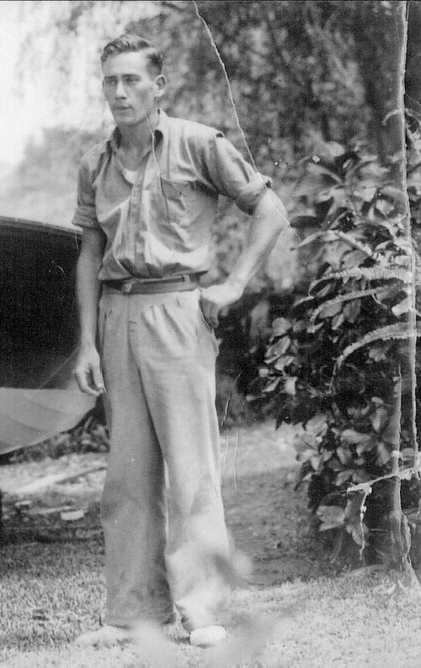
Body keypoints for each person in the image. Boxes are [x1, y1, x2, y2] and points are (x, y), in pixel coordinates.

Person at [71, 34, 288, 649]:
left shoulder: (198, 143)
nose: (120, 91)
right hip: (118, 316)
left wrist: (235, 283)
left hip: (178, 311)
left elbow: (269, 210)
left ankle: (202, 611)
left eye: (132, 79)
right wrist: (85, 342)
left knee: (192, 469)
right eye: (110, 80)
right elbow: (89, 252)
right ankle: (131, 615)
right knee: (127, 476)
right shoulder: (95, 162)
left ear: (158, 85)